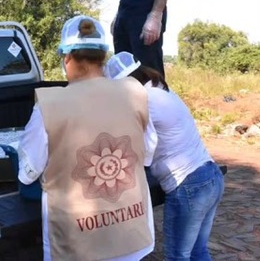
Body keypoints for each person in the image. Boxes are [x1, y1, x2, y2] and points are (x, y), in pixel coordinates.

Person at [17, 15, 157, 261]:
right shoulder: (135, 92)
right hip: (131, 235)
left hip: (76, 243)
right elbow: (147, 155)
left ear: (67, 57)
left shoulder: (49, 105)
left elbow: (28, 171)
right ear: (103, 57)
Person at [105, 51, 225, 261]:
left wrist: (131, 168)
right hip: (210, 175)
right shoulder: (162, 90)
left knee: (177, 256)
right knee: (198, 252)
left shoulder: (143, 99)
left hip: (188, 184)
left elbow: (148, 145)